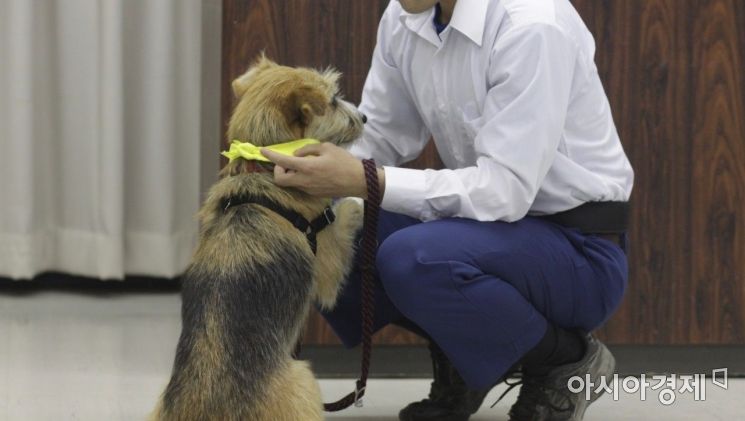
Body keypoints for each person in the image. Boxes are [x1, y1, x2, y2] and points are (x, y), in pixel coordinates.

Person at [261, 0, 634, 419]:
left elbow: (504, 190)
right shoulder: (406, 15)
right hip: (485, 231)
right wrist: (303, 177)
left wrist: (360, 179)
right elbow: (381, 134)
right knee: (317, 229)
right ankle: (467, 353)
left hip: (578, 251)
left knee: (415, 259)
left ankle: (563, 359)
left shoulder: (533, 24)